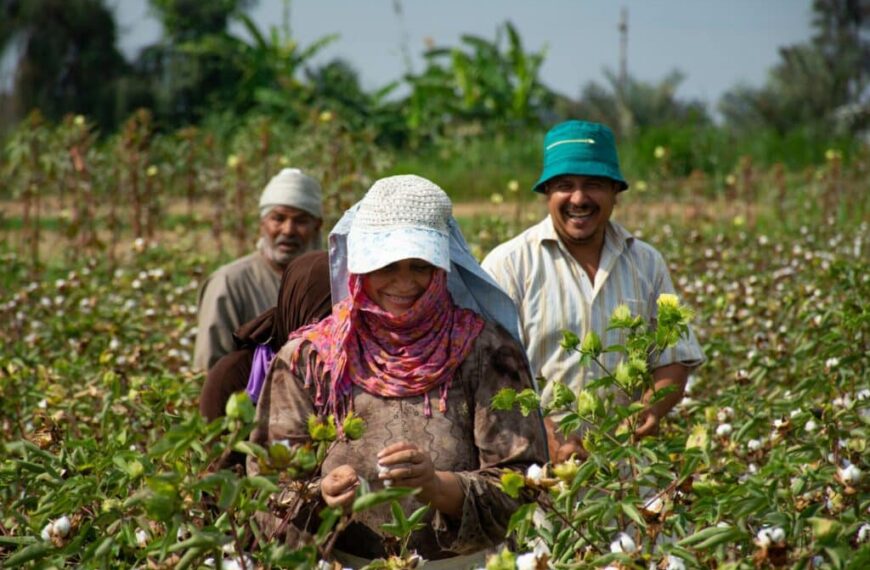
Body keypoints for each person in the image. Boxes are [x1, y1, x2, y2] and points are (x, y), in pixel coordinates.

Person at [249, 175, 547, 567]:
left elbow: (524, 481)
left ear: (441, 268)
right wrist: (319, 493)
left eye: (419, 266)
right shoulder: (312, 358)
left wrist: (439, 487)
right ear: (361, 267)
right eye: (386, 265)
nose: (404, 283)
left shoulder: (486, 352)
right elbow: (267, 480)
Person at [481, 120, 704, 462]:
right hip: (535, 467)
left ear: (615, 190)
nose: (579, 198)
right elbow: (487, 374)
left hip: (628, 469)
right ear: (547, 193)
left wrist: (648, 410)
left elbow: (674, 358)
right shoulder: (509, 265)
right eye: (564, 185)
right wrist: (544, 434)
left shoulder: (646, 263)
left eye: (594, 185)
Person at [194, 168, 323, 371]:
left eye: (300, 221)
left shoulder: (333, 283)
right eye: (278, 218)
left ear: (317, 227)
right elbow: (210, 368)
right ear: (262, 224)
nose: (288, 230)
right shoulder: (228, 283)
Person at [199, 250, 332, 423]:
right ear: (294, 308)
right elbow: (217, 447)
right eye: (325, 319)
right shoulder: (235, 376)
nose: (329, 332)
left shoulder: (359, 370)